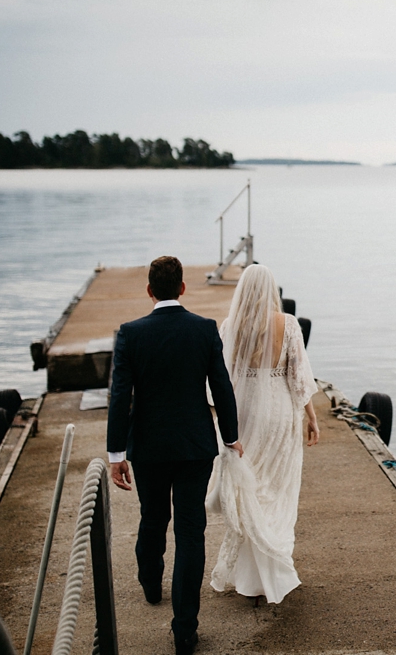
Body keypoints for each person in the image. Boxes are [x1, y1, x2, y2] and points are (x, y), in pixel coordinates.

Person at [107, 256, 244, 655]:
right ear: (182, 288)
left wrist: (117, 453)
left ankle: (151, 583)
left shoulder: (130, 334)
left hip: (147, 448)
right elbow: (222, 387)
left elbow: (120, 398)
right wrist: (231, 435)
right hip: (193, 447)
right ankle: (185, 628)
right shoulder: (203, 329)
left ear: (149, 290)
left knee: (153, 517)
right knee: (190, 531)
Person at [206, 263, 320, 605]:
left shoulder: (231, 326)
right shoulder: (289, 325)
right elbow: (299, 380)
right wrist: (312, 418)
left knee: (250, 491)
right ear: (272, 289)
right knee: (277, 490)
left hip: (244, 414)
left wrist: (220, 418)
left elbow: (223, 380)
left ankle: (250, 579)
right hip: (281, 413)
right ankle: (274, 570)